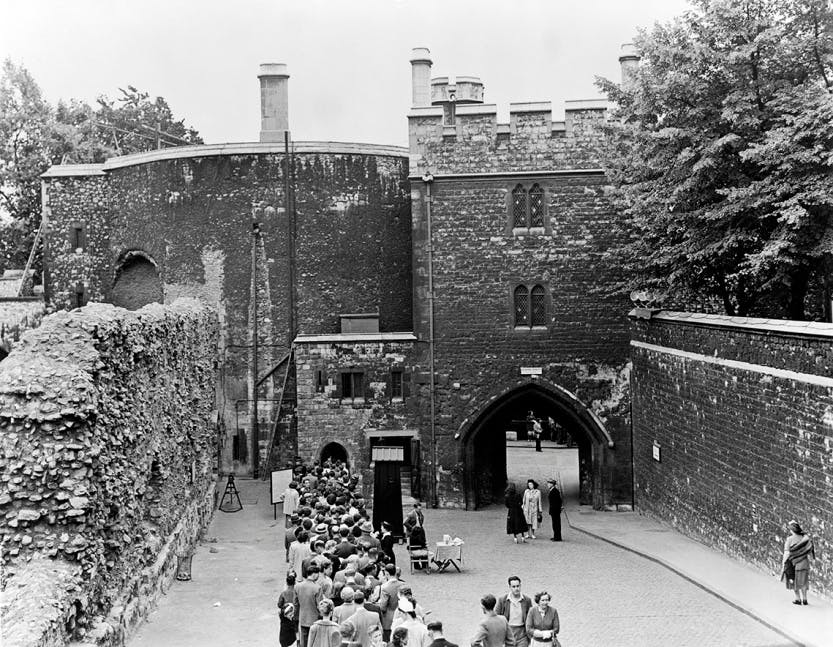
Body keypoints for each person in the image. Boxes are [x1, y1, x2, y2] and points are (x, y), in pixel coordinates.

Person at [782, 520, 815, 605]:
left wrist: (783, 563)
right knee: (804, 581)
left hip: (793, 564)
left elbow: (787, 552)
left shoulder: (789, 539)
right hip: (804, 563)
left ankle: (798, 599)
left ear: (792, 530)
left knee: (794, 580)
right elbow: (810, 553)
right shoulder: (806, 539)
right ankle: (805, 599)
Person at [495, 576, 532, 647]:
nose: (516, 589)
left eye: (518, 586)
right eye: (514, 586)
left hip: (522, 633)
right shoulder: (503, 600)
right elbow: (496, 617)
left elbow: (531, 617)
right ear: (510, 587)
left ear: (520, 586)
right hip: (508, 631)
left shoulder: (527, 600)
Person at [294, 564, 324, 647]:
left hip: (303, 618)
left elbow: (295, 604)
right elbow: (320, 606)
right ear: (314, 574)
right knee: (314, 642)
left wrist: (296, 617)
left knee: (304, 641)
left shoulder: (297, 586)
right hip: (315, 619)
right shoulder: (317, 588)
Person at [278, 571, 298, 647]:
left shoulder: (284, 593)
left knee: (284, 635)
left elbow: (279, 605)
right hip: (295, 616)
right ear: (294, 582)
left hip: (286, 618)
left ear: (287, 583)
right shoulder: (297, 592)